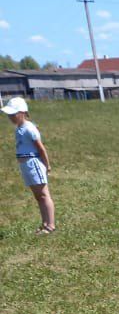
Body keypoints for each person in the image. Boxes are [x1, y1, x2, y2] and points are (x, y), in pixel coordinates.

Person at [3, 96, 56, 233]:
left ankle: (50, 225)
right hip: (25, 165)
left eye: (13, 114)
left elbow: (41, 148)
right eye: (9, 115)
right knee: (38, 196)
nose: (11, 117)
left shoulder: (29, 128)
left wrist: (47, 165)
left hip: (33, 163)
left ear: (22, 113)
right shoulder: (19, 129)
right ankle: (44, 223)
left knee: (44, 195)